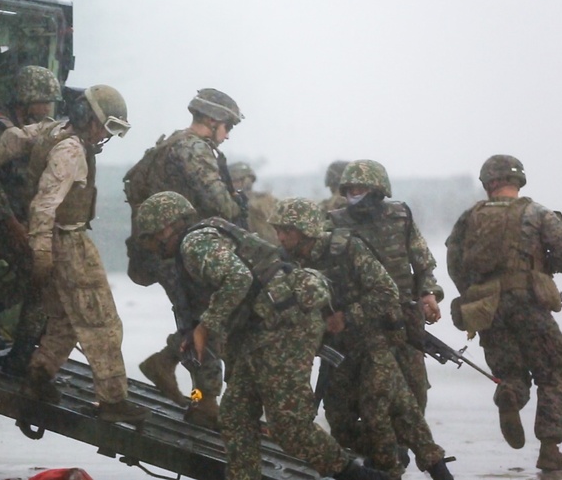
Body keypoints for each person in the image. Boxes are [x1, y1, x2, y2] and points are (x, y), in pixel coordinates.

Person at [133, 191, 388, 480]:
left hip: (284, 327)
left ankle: (361, 477)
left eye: (150, 238)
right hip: (258, 332)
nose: (151, 247)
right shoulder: (199, 239)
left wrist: (206, 326)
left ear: (165, 228)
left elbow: (238, 278)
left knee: (288, 427)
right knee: (236, 417)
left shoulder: (194, 244)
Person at [0, 84, 148, 424]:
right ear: (86, 118)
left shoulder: (50, 130)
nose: (104, 138)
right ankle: (112, 400)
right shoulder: (71, 151)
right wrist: (42, 253)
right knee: (102, 322)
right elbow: (45, 204)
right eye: (104, 128)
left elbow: (11, 141)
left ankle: (38, 376)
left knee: (63, 318)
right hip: (70, 241)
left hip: (56, 240)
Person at [271, 198, 454, 480]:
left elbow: (386, 292)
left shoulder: (345, 248)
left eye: (287, 230)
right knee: (340, 423)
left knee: (379, 414)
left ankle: (392, 470)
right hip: (336, 352)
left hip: (373, 342)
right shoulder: (287, 261)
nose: (280, 237)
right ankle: (388, 459)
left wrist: (347, 316)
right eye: (277, 230)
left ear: (305, 229)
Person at [445, 155, 562, 472]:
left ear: (487, 183)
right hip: (529, 304)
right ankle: (550, 449)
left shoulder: (469, 217)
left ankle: (509, 394)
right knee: (553, 373)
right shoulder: (538, 214)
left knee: (511, 371)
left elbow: (455, 264)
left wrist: (476, 294)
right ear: (517, 181)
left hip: (488, 309)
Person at [123, 88, 245, 427]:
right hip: (177, 250)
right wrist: (239, 209)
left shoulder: (174, 143)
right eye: (227, 125)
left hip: (171, 247)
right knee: (204, 322)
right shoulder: (193, 149)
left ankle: (184, 383)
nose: (228, 133)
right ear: (211, 120)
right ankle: (201, 399)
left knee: (198, 322)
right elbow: (220, 203)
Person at [0, 65, 62, 375]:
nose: (48, 108)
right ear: (26, 98)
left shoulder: (29, 126)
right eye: (44, 100)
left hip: (18, 214)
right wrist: (10, 222)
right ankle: (14, 351)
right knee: (37, 271)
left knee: (40, 271)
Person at [328, 160, 444, 413]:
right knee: (354, 394)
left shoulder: (400, 216)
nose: (353, 194)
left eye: (360, 189)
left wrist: (428, 294)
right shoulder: (334, 223)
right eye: (350, 189)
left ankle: (405, 444)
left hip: (403, 317)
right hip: (357, 320)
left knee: (414, 392)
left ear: (377, 189)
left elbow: (423, 263)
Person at [229, 161, 279, 245]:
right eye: (234, 181)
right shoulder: (231, 204)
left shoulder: (266, 201)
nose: (236, 184)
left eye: (238, 181)